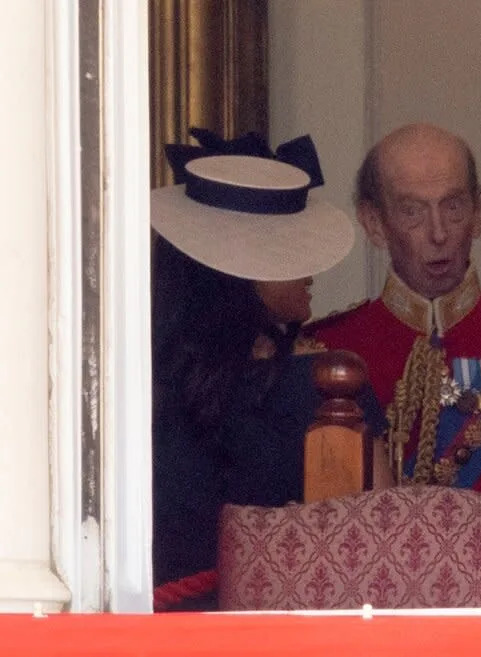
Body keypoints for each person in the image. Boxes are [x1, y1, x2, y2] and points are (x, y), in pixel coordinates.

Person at [151, 129, 387, 610]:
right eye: (290, 248)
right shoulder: (326, 386)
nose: (310, 269)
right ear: (242, 267)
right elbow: (377, 560)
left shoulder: (138, 386)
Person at [304, 123, 481, 500]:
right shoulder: (323, 350)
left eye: (453, 207)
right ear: (374, 223)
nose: (439, 233)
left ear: (478, 213)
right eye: (412, 212)